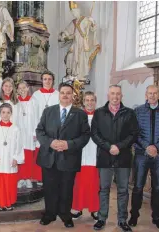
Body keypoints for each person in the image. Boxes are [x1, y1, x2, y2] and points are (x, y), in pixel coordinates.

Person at [36, 83, 90, 228]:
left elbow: (85, 136)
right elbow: (40, 131)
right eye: (62, 93)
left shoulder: (80, 114)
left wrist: (68, 144)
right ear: (58, 95)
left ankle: (65, 215)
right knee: (49, 188)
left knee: (66, 188)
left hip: (69, 157)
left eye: (68, 93)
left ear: (73, 96)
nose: (65, 95)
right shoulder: (48, 111)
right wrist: (51, 142)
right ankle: (50, 214)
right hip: (49, 157)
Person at [91, 85, 139, 232]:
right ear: (108, 95)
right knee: (104, 189)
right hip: (105, 156)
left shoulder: (129, 113)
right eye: (112, 93)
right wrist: (108, 147)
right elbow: (95, 133)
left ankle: (122, 220)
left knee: (123, 190)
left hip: (123, 156)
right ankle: (101, 218)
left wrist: (119, 146)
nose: (115, 96)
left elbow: (134, 134)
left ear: (121, 96)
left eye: (118, 94)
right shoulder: (99, 113)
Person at [128, 85, 159, 231]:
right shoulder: (138, 111)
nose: (152, 96)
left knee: (158, 187)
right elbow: (134, 132)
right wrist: (147, 146)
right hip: (142, 153)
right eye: (150, 93)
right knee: (138, 187)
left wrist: (156, 147)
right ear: (146, 95)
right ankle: (134, 215)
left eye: (155, 93)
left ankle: (156, 217)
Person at [0, 103, 24, 211]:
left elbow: (19, 145)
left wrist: (16, 158)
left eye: (8, 112)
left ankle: (8, 202)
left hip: (10, 159)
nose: (5, 115)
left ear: (11, 114)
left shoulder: (15, 129)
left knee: (9, 182)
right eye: (3, 112)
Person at [71, 91, 99, 221]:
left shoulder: (100, 116)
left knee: (94, 182)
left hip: (95, 152)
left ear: (95, 102)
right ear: (83, 102)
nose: (89, 102)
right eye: (87, 100)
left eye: (92, 100)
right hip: (81, 152)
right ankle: (77, 207)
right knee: (79, 182)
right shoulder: (77, 116)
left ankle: (95, 209)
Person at [58, 3, 100, 81]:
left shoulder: (85, 19)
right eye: (72, 12)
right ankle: (72, 74)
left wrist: (92, 23)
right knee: (70, 57)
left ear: (78, 10)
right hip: (75, 43)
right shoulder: (73, 22)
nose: (74, 13)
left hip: (83, 43)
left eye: (75, 11)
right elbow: (67, 32)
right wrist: (64, 36)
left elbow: (92, 30)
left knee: (82, 58)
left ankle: (80, 75)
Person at [32, 71, 59, 185]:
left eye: (49, 79)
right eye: (45, 79)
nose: (47, 81)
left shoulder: (58, 94)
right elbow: (33, 113)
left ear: (53, 81)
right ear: (41, 81)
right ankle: (39, 177)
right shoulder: (36, 95)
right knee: (40, 150)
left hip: (53, 128)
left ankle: (51, 176)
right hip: (40, 127)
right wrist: (34, 130)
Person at [16, 81, 38, 189]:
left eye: (24, 88)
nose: (22, 90)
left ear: (28, 88)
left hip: (29, 132)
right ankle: (20, 178)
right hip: (19, 133)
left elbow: (36, 117)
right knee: (20, 155)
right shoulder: (16, 102)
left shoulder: (33, 101)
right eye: (20, 88)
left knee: (29, 156)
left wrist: (35, 132)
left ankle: (28, 178)